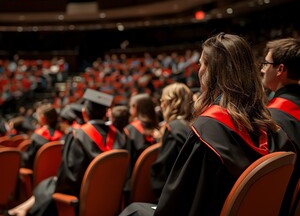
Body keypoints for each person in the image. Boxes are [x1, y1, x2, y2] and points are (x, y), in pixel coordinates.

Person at [119, 33, 296, 216]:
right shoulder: (272, 128)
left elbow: (177, 204)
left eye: (201, 64)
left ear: (211, 72)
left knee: (133, 211)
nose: (199, 70)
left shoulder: (209, 129)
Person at [8, 89, 125, 216]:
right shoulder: (120, 136)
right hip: (110, 197)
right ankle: (23, 209)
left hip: (79, 199)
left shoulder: (78, 136)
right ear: (105, 114)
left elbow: (68, 179)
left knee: (49, 187)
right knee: (48, 185)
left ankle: (23, 210)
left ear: (85, 113)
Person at [260, 37, 300, 215]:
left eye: (266, 63)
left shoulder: (272, 116)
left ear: (280, 69)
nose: (262, 69)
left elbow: (272, 175)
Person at [151, 82, 193, 200]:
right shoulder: (192, 125)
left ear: (169, 103)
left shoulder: (173, 130)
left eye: (162, 100)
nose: (161, 104)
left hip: (175, 200)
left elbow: (162, 177)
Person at [123, 93, 159, 200]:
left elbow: (127, 166)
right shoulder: (158, 130)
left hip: (135, 185)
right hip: (154, 183)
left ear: (135, 108)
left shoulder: (130, 131)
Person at [21, 103, 64, 169]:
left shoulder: (38, 136)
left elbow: (28, 160)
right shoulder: (64, 134)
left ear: (42, 118)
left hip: (39, 173)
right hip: (57, 172)